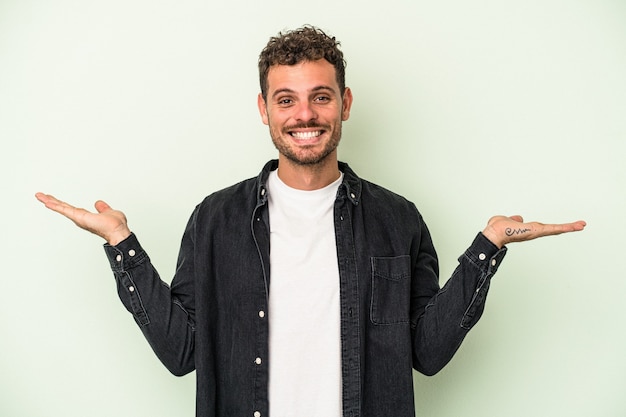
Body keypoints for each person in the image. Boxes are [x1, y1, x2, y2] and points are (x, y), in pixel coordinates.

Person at [35, 26, 586, 417]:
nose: (304, 115)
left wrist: (487, 247)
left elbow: (427, 354)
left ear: (344, 103)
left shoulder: (398, 220)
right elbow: (183, 353)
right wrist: (120, 242)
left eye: (320, 97)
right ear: (264, 109)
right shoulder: (216, 219)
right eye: (287, 99)